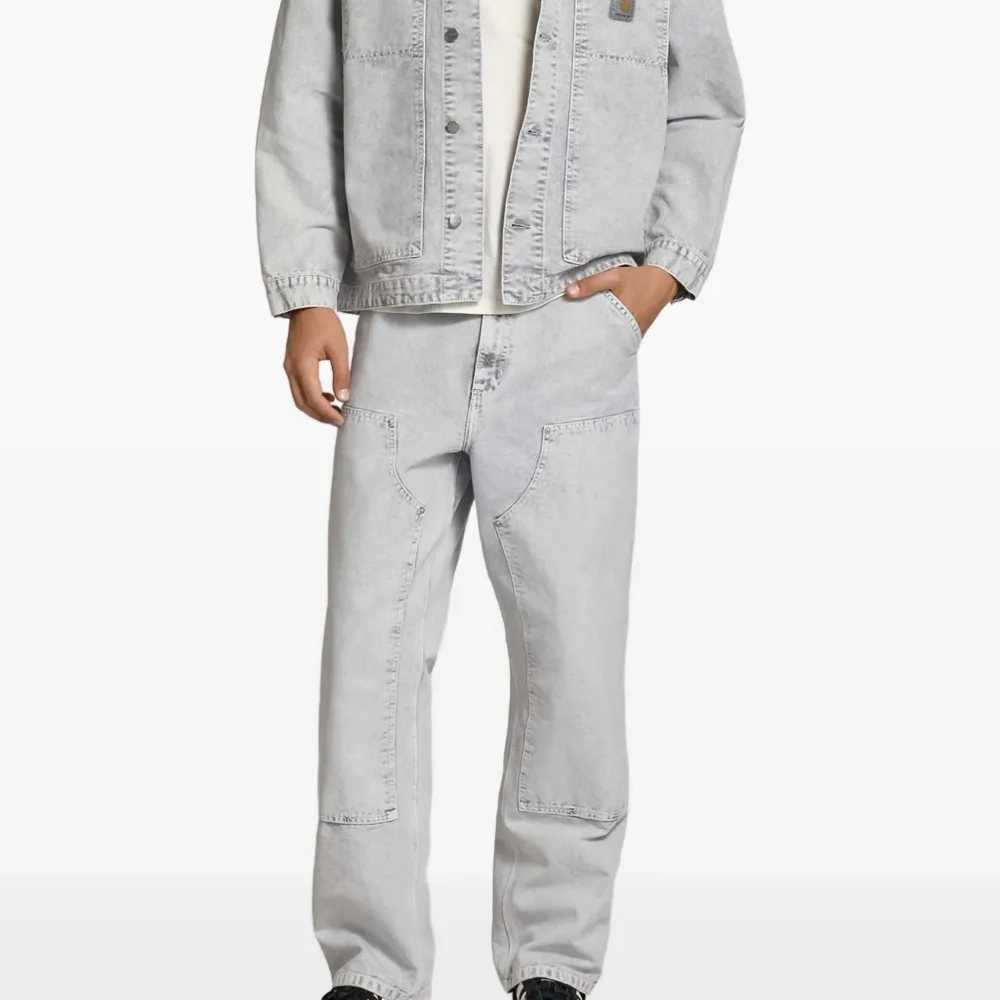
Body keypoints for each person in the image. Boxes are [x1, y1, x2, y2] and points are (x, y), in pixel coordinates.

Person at [255, 0, 743, 997]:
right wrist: (307, 291)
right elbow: (304, 92)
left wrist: (661, 276)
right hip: (402, 333)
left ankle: (553, 959)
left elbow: (706, 102)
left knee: (572, 658)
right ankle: (371, 967)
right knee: (371, 658)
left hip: (572, 333)